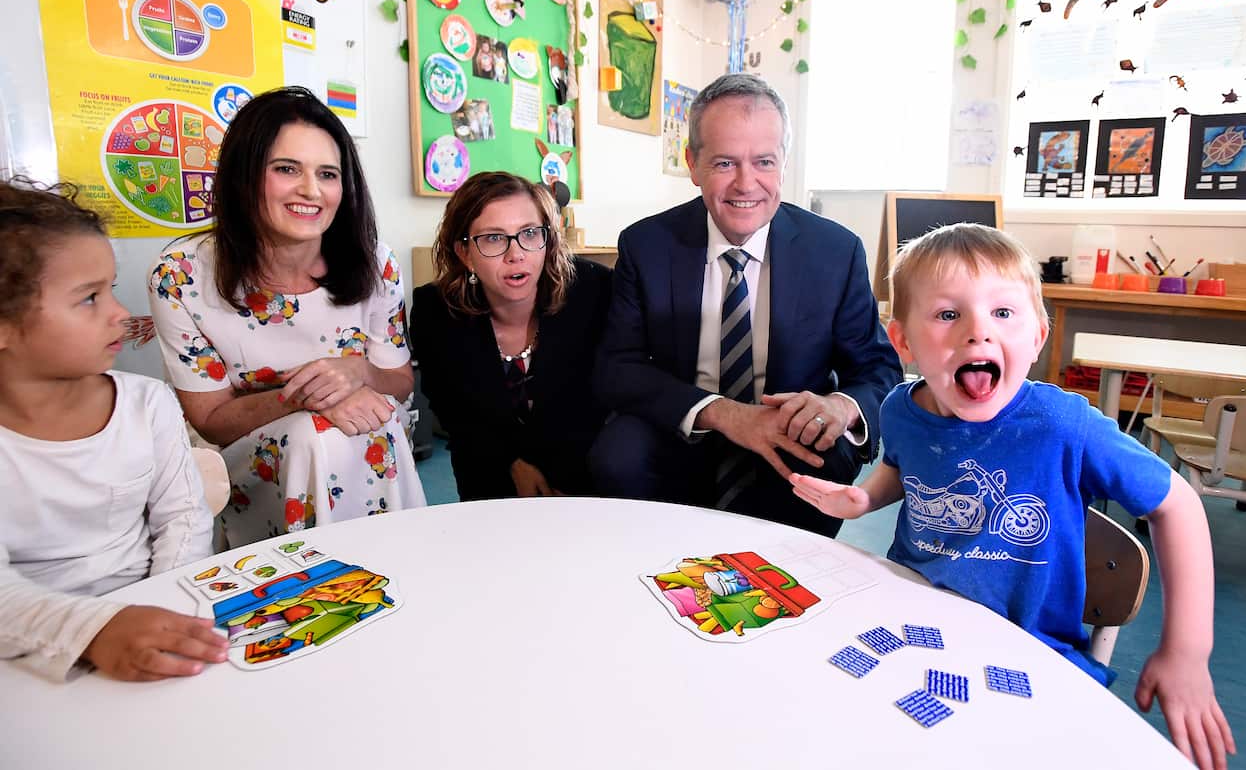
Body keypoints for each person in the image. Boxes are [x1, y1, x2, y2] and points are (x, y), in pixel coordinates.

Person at [789, 223, 1234, 770]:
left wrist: (1187, 653)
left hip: (1031, 653)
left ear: (1037, 336)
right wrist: (862, 500)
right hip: (908, 631)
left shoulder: (1063, 425)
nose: (977, 333)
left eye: (1002, 313)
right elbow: (902, 470)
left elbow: (1179, 504)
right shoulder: (901, 409)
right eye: (948, 314)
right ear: (902, 341)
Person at [590, 73, 901, 537]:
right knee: (616, 454)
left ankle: (798, 579)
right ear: (693, 164)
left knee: (826, 454)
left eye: (763, 162)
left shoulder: (835, 251)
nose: (745, 183)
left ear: (783, 165)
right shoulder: (646, 245)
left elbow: (878, 370)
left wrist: (840, 406)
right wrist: (726, 414)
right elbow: (618, 367)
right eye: (724, 163)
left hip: (788, 435)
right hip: (689, 423)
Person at [148, 87, 425, 549]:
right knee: (315, 433)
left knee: (363, 424)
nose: (311, 191)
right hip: (254, 457)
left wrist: (358, 371)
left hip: (365, 437)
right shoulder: (182, 275)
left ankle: (397, 560)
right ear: (245, 175)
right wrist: (309, 398)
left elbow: (398, 382)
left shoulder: (374, 262)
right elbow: (213, 418)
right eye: (286, 169)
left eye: (328, 174)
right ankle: (306, 577)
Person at [0, 180, 227, 682]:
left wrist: (163, 607)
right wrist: (99, 630)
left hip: (157, 618)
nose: (120, 314)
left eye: (111, 289)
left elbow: (184, 520)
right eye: (88, 298)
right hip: (31, 652)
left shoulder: (148, 403)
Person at [411, 172, 611, 500]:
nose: (515, 254)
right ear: (465, 253)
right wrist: (512, 462)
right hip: (487, 466)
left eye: (530, 233)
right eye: (493, 238)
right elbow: (454, 411)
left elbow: (600, 401)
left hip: (583, 469)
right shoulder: (435, 310)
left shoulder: (594, 291)